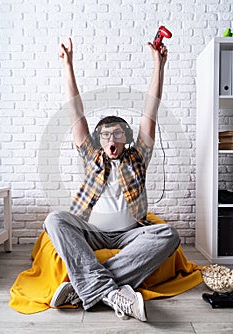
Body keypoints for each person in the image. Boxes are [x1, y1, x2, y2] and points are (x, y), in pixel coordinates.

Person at [43, 37, 180, 322]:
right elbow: (76, 111)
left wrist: (159, 65)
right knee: (54, 219)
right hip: (91, 232)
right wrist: (67, 65)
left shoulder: (138, 157)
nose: (111, 137)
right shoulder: (92, 156)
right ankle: (110, 291)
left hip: (131, 232)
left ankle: (84, 288)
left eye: (117, 132)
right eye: (105, 134)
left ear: (126, 138)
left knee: (169, 235)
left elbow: (150, 111)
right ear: (99, 140)